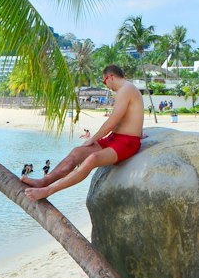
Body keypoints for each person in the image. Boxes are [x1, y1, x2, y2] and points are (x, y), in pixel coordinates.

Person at [25, 64, 143, 201]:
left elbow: (112, 122)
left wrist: (92, 139)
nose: (107, 86)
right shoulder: (124, 91)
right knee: (76, 152)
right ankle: (44, 181)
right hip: (114, 139)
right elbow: (130, 116)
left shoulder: (126, 89)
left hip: (127, 142)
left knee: (92, 159)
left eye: (105, 82)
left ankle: (48, 191)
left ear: (110, 77)